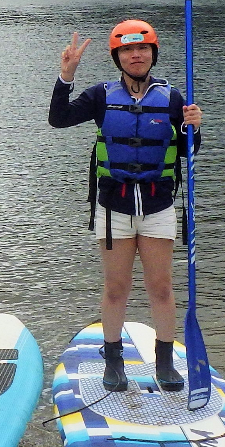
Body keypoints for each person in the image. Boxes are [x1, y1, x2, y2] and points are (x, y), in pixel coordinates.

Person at [49, 21, 202, 393]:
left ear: (152, 54)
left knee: (161, 287)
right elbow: (59, 119)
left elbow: (189, 152)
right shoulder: (100, 96)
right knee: (116, 287)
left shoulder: (172, 99)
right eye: (128, 50)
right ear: (117, 57)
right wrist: (65, 77)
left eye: (143, 49)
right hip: (113, 207)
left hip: (158, 205)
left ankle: (164, 361)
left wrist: (194, 128)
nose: (137, 56)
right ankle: (113, 360)